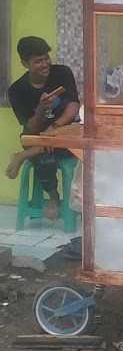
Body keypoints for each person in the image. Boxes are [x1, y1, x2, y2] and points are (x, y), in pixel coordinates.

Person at [6, 37, 80, 220]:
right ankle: (53, 198)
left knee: (72, 139)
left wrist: (54, 128)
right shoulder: (17, 90)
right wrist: (41, 110)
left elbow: (73, 107)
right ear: (25, 63)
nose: (45, 64)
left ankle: (23, 155)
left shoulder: (62, 73)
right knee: (44, 156)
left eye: (46, 58)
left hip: (64, 131)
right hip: (37, 136)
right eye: (38, 61)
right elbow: (30, 126)